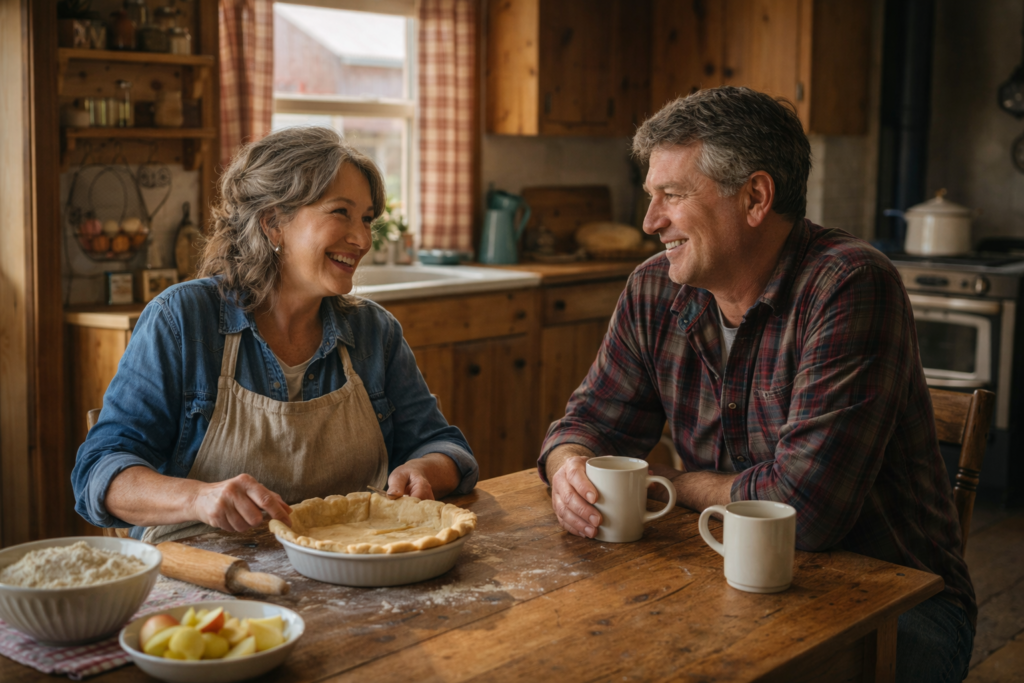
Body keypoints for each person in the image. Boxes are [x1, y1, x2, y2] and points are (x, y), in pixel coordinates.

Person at [539, 87, 975, 682]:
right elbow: (586, 423)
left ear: (755, 197)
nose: (649, 222)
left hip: (896, 609)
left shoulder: (849, 284)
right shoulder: (653, 289)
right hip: (723, 579)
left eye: (672, 195)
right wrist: (569, 466)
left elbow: (804, 509)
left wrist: (679, 484)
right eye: (651, 197)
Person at [73, 126, 478, 544]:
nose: (362, 239)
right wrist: (198, 498)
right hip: (209, 577)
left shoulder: (375, 332)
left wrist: (424, 469)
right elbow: (99, 472)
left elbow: (445, 447)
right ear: (273, 224)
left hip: (355, 574)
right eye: (341, 212)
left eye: (367, 219)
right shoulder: (181, 320)